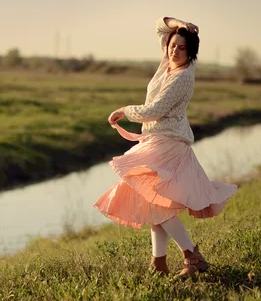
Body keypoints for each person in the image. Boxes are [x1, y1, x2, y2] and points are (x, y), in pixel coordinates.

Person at [93, 16, 237, 278]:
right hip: (157, 140)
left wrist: (125, 110)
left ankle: (192, 256)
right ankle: (159, 264)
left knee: (157, 205)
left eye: (182, 48)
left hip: (168, 144)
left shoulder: (182, 76)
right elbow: (163, 26)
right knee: (153, 204)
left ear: (191, 53)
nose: (175, 50)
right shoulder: (167, 63)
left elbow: (154, 110)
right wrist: (184, 25)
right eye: (173, 45)